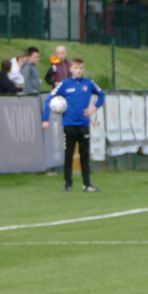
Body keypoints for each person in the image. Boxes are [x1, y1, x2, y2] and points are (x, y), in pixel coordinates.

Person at [43, 56, 105, 193]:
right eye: (76, 68)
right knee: (68, 153)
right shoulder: (64, 84)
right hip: (69, 124)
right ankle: (68, 184)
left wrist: (95, 107)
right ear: (71, 69)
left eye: (81, 68)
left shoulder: (88, 83)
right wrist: (45, 118)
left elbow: (102, 94)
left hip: (84, 124)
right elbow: (49, 99)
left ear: (83, 69)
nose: (78, 70)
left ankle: (87, 184)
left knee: (84, 154)